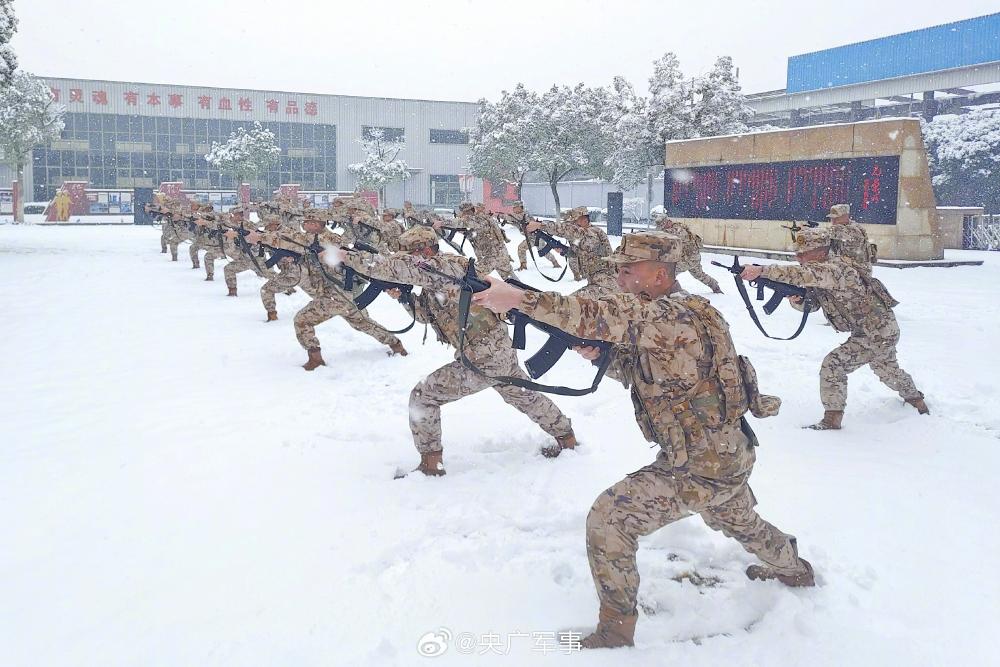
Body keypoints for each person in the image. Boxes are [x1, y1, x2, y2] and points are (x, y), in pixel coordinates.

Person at [471, 230, 814, 648]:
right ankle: (794, 569)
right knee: (739, 520)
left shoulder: (669, 316)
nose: (620, 276)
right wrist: (605, 357)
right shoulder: (684, 311)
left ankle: (616, 632)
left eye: (628, 269)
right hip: (726, 454)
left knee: (610, 519)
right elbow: (656, 374)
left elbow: (589, 313)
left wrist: (519, 299)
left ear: (659, 273)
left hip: (700, 465)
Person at [329, 226, 577, 474]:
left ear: (425, 250)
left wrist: (344, 256)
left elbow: (396, 267)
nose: (404, 259)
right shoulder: (437, 280)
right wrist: (403, 298)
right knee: (524, 395)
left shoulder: (448, 268)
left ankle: (431, 465)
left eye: (408, 254)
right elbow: (427, 316)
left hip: (484, 358)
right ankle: (566, 437)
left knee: (423, 397)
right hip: (494, 352)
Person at [740, 228, 928, 429]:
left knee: (833, 366)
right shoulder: (820, 271)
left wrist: (762, 271)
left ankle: (832, 420)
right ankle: (917, 402)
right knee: (888, 370)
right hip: (876, 330)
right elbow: (813, 305)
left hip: (876, 332)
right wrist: (798, 300)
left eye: (803, 253)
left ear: (821, 251)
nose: (798, 257)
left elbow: (801, 274)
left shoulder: (837, 269)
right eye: (797, 253)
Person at [247, 211, 407, 369]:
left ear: (318, 224)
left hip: (335, 296)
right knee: (363, 324)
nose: (305, 225)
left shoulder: (321, 239)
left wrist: (261, 238)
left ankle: (315, 358)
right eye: (305, 222)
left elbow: (287, 241)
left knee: (302, 321)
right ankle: (396, 345)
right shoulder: (323, 239)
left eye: (309, 222)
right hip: (344, 295)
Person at [525, 206, 616, 297]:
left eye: (574, 222)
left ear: (584, 219)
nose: (572, 225)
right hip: (597, 282)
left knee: (567, 306)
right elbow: (577, 251)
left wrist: (540, 225)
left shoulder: (593, 233)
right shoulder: (582, 236)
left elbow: (568, 231)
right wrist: (563, 251)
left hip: (605, 284)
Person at [437, 202, 514, 279]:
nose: (463, 216)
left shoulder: (478, 219)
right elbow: (475, 236)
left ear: (468, 212)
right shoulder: (482, 219)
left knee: (472, 277)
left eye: (463, 213)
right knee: (512, 281)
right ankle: (522, 290)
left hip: (493, 256)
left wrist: (441, 223)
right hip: (500, 254)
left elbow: (462, 222)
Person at [653, 213, 723, 293]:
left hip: (687, 260)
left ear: (668, 222)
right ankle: (715, 286)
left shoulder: (677, 230)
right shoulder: (675, 228)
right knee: (700, 275)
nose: (662, 228)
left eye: (663, 226)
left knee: (669, 273)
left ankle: (667, 291)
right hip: (692, 258)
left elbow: (664, 236)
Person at [219, 208, 275, 297]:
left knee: (271, 275)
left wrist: (237, 235)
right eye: (237, 214)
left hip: (255, 257)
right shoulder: (231, 225)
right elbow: (224, 222)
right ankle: (232, 291)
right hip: (244, 257)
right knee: (228, 269)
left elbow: (255, 235)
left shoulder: (247, 224)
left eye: (240, 214)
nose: (240, 216)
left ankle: (289, 288)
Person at [502, 200, 561, 271]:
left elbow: (512, 217)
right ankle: (523, 265)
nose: (513, 209)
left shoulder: (524, 214)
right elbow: (518, 223)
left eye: (515, 207)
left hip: (536, 237)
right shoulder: (519, 216)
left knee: (543, 252)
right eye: (513, 207)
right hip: (531, 237)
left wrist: (500, 216)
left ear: (520, 207)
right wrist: (508, 222)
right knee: (522, 248)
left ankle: (555, 263)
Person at [826, 204, 876, 273]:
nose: (833, 220)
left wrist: (810, 230)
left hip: (858, 271)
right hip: (849, 268)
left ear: (845, 216)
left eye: (836, 217)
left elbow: (827, 233)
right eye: (832, 218)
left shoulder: (853, 229)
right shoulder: (844, 226)